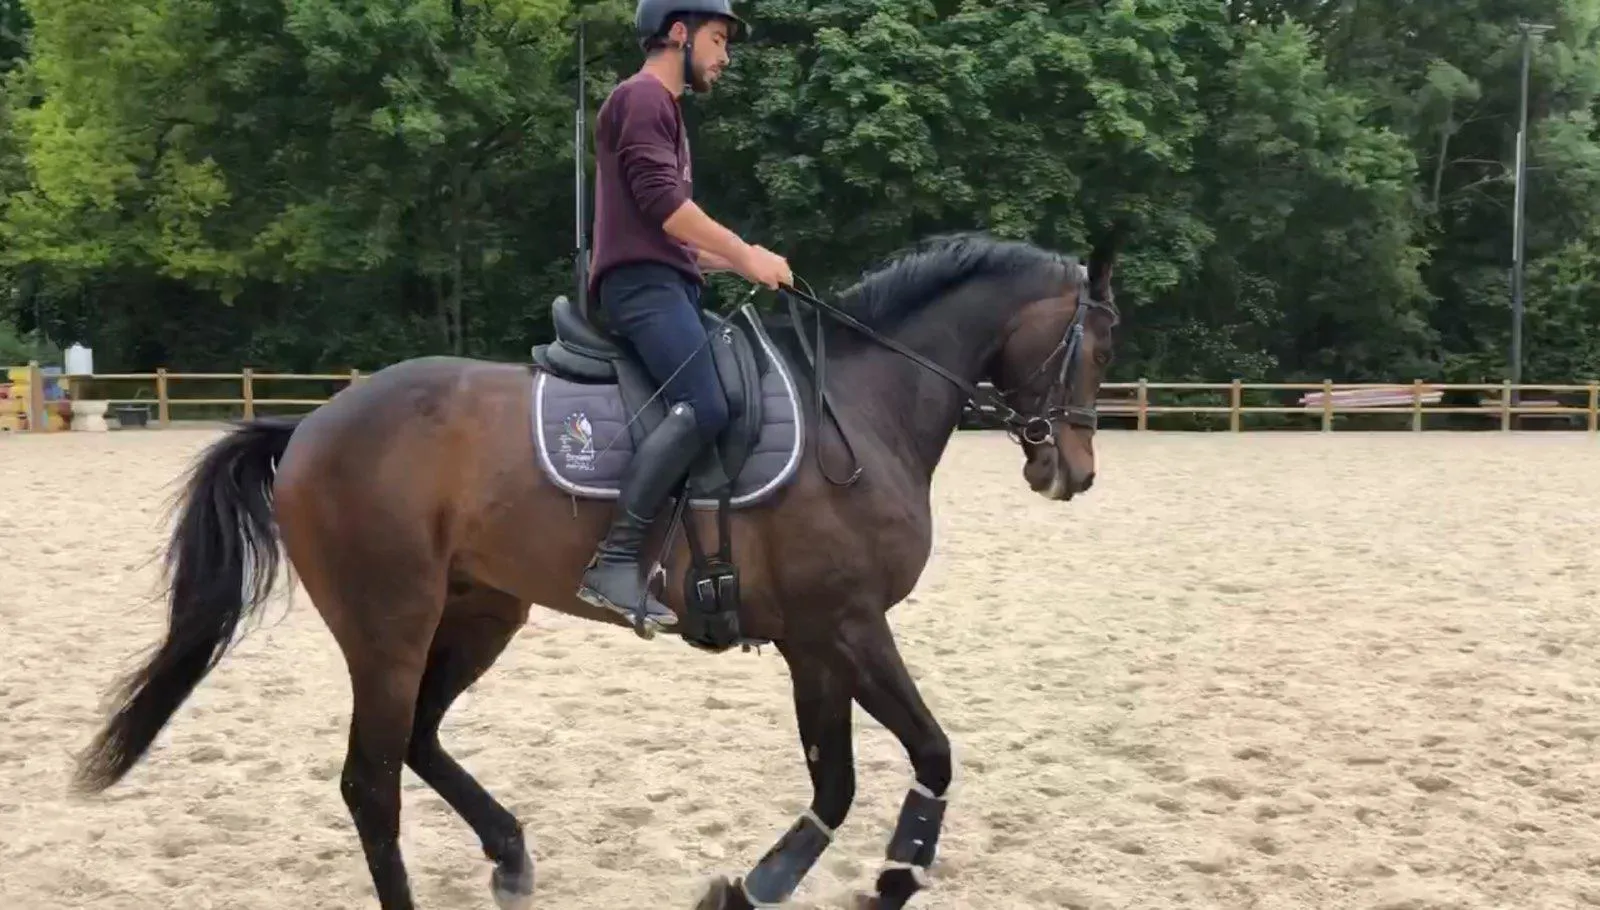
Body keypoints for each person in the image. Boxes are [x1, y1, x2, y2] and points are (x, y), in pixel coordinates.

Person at [578, 0, 793, 630]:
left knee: (732, 382)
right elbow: (667, 207)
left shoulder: (662, 112)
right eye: (719, 40)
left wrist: (745, 263)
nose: (725, 57)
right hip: (642, 291)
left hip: (665, 282)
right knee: (704, 404)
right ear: (679, 32)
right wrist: (746, 253)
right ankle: (615, 561)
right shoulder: (643, 98)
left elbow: (674, 237)